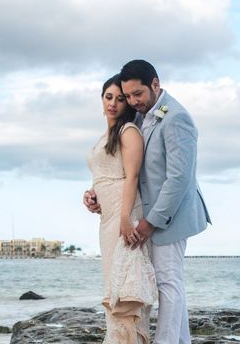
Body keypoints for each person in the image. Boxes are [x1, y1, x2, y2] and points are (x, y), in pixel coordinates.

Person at [85, 60, 210, 344]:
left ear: (155, 83)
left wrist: (150, 223)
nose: (132, 101)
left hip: (170, 215)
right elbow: (125, 169)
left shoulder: (177, 117)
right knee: (169, 283)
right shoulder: (143, 115)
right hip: (147, 213)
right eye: (127, 96)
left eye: (137, 94)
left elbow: (179, 179)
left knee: (168, 283)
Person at [86, 74, 157, 344]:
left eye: (120, 98)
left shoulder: (129, 132)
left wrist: (126, 219)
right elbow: (105, 174)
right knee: (112, 285)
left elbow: (132, 177)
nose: (113, 103)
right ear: (101, 99)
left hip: (123, 214)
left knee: (125, 290)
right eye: (108, 97)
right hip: (107, 217)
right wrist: (91, 195)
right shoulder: (106, 135)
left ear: (127, 103)